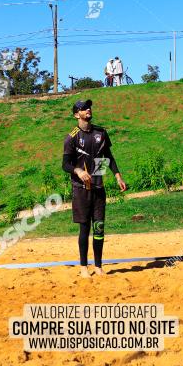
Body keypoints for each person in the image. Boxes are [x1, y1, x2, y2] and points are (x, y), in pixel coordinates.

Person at [62, 99, 127, 277]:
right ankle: (84, 267)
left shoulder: (101, 132)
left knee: (99, 228)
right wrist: (77, 171)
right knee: (85, 228)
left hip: (98, 187)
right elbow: (65, 164)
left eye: (88, 107)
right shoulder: (72, 136)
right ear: (77, 115)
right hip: (81, 188)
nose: (88, 110)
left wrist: (118, 176)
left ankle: (98, 266)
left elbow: (109, 157)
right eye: (83, 108)